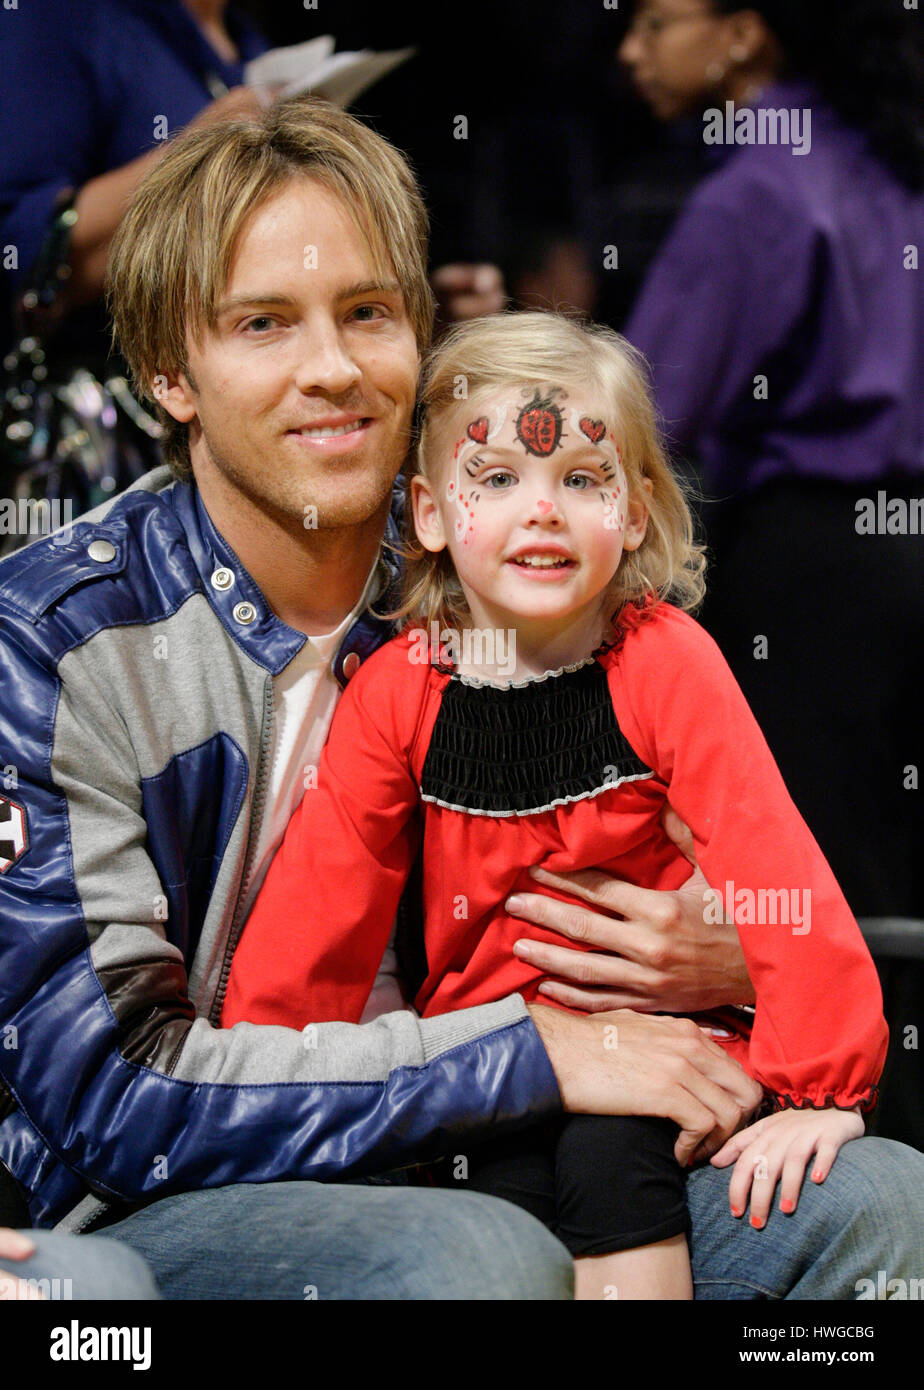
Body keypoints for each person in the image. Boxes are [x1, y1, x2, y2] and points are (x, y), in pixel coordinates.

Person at [0, 96, 919, 1301]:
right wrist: (531, 1053)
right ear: (171, 373)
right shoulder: (53, 641)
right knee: (479, 1260)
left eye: (369, 312)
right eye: (263, 323)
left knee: (881, 1201)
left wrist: (729, 956)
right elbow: (117, 1103)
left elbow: (742, 857)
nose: (331, 369)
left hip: (532, 1131)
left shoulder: (507, 560)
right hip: (172, 1190)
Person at [222, 311, 886, 1299]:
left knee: (606, 1165)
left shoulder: (666, 664)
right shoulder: (403, 691)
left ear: (634, 511)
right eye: (497, 479)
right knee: (499, 1201)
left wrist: (823, 1088)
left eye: (582, 479)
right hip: (499, 1065)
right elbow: (320, 915)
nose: (543, 511)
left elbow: (772, 867)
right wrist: (272, 1097)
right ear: (435, 513)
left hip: (667, 1050)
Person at [616, 0, 924, 1148]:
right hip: (906, 554)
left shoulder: (755, 192)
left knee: (822, 883)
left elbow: (640, 423)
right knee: (893, 885)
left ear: (745, 33)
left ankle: (836, 1150)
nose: (630, 47)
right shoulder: (888, 169)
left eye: (655, 18)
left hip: (813, 576)